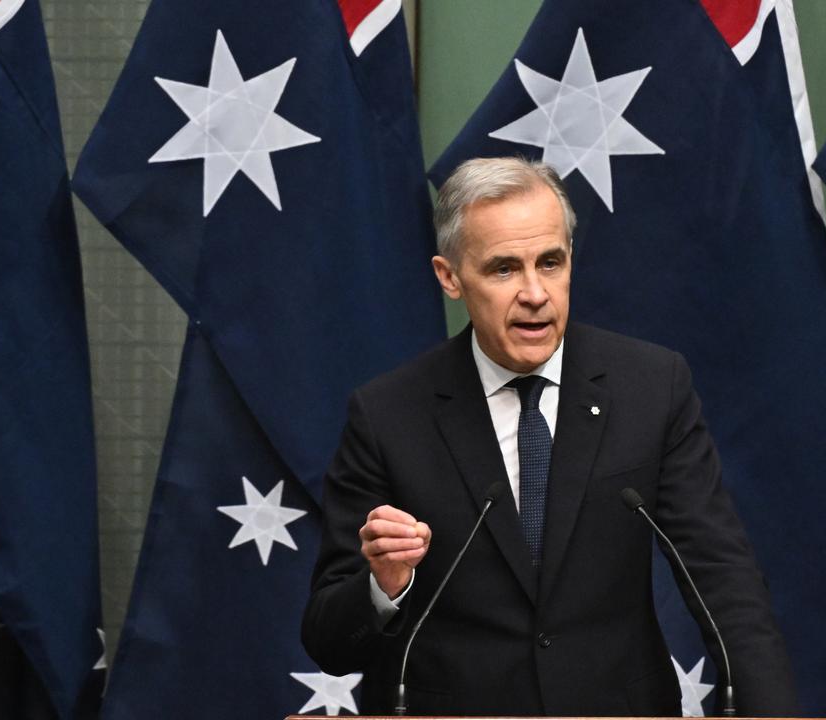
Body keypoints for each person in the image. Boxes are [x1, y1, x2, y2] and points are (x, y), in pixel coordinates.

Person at [302, 157, 797, 716]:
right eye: (504, 269)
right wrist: (384, 584)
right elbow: (327, 640)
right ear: (450, 277)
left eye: (551, 263)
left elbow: (719, 577)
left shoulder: (652, 388)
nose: (535, 293)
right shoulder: (388, 414)